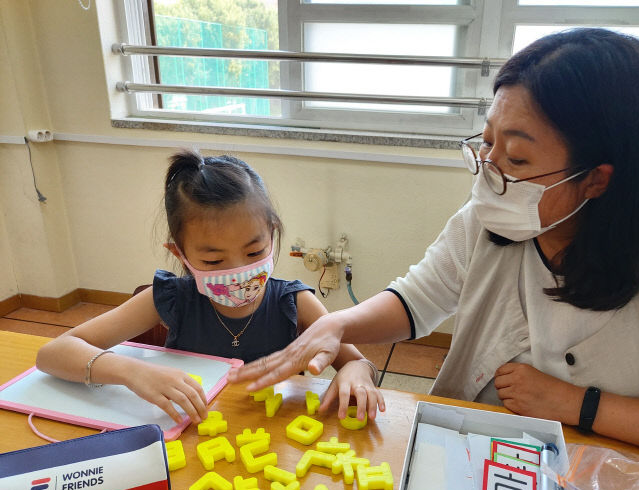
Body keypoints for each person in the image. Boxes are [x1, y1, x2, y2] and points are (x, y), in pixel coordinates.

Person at [228, 28, 639, 455]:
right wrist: (338, 325)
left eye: (515, 160)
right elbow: (417, 300)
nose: (490, 173)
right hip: (475, 445)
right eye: (487, 142)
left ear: (598, 179)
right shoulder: (492, 219)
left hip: (612, 474)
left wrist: (579, 405)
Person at [36, 151, 384, 424]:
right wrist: (131, 371)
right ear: (180, 253)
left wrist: (357, 371)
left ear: (273, 234)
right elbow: (52, 354)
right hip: (193, 438)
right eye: (214, 261)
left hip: (273, 447)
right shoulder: (169, 298)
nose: (238, 272)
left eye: (254, 251)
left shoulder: (295, 302)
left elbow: (359, 364)